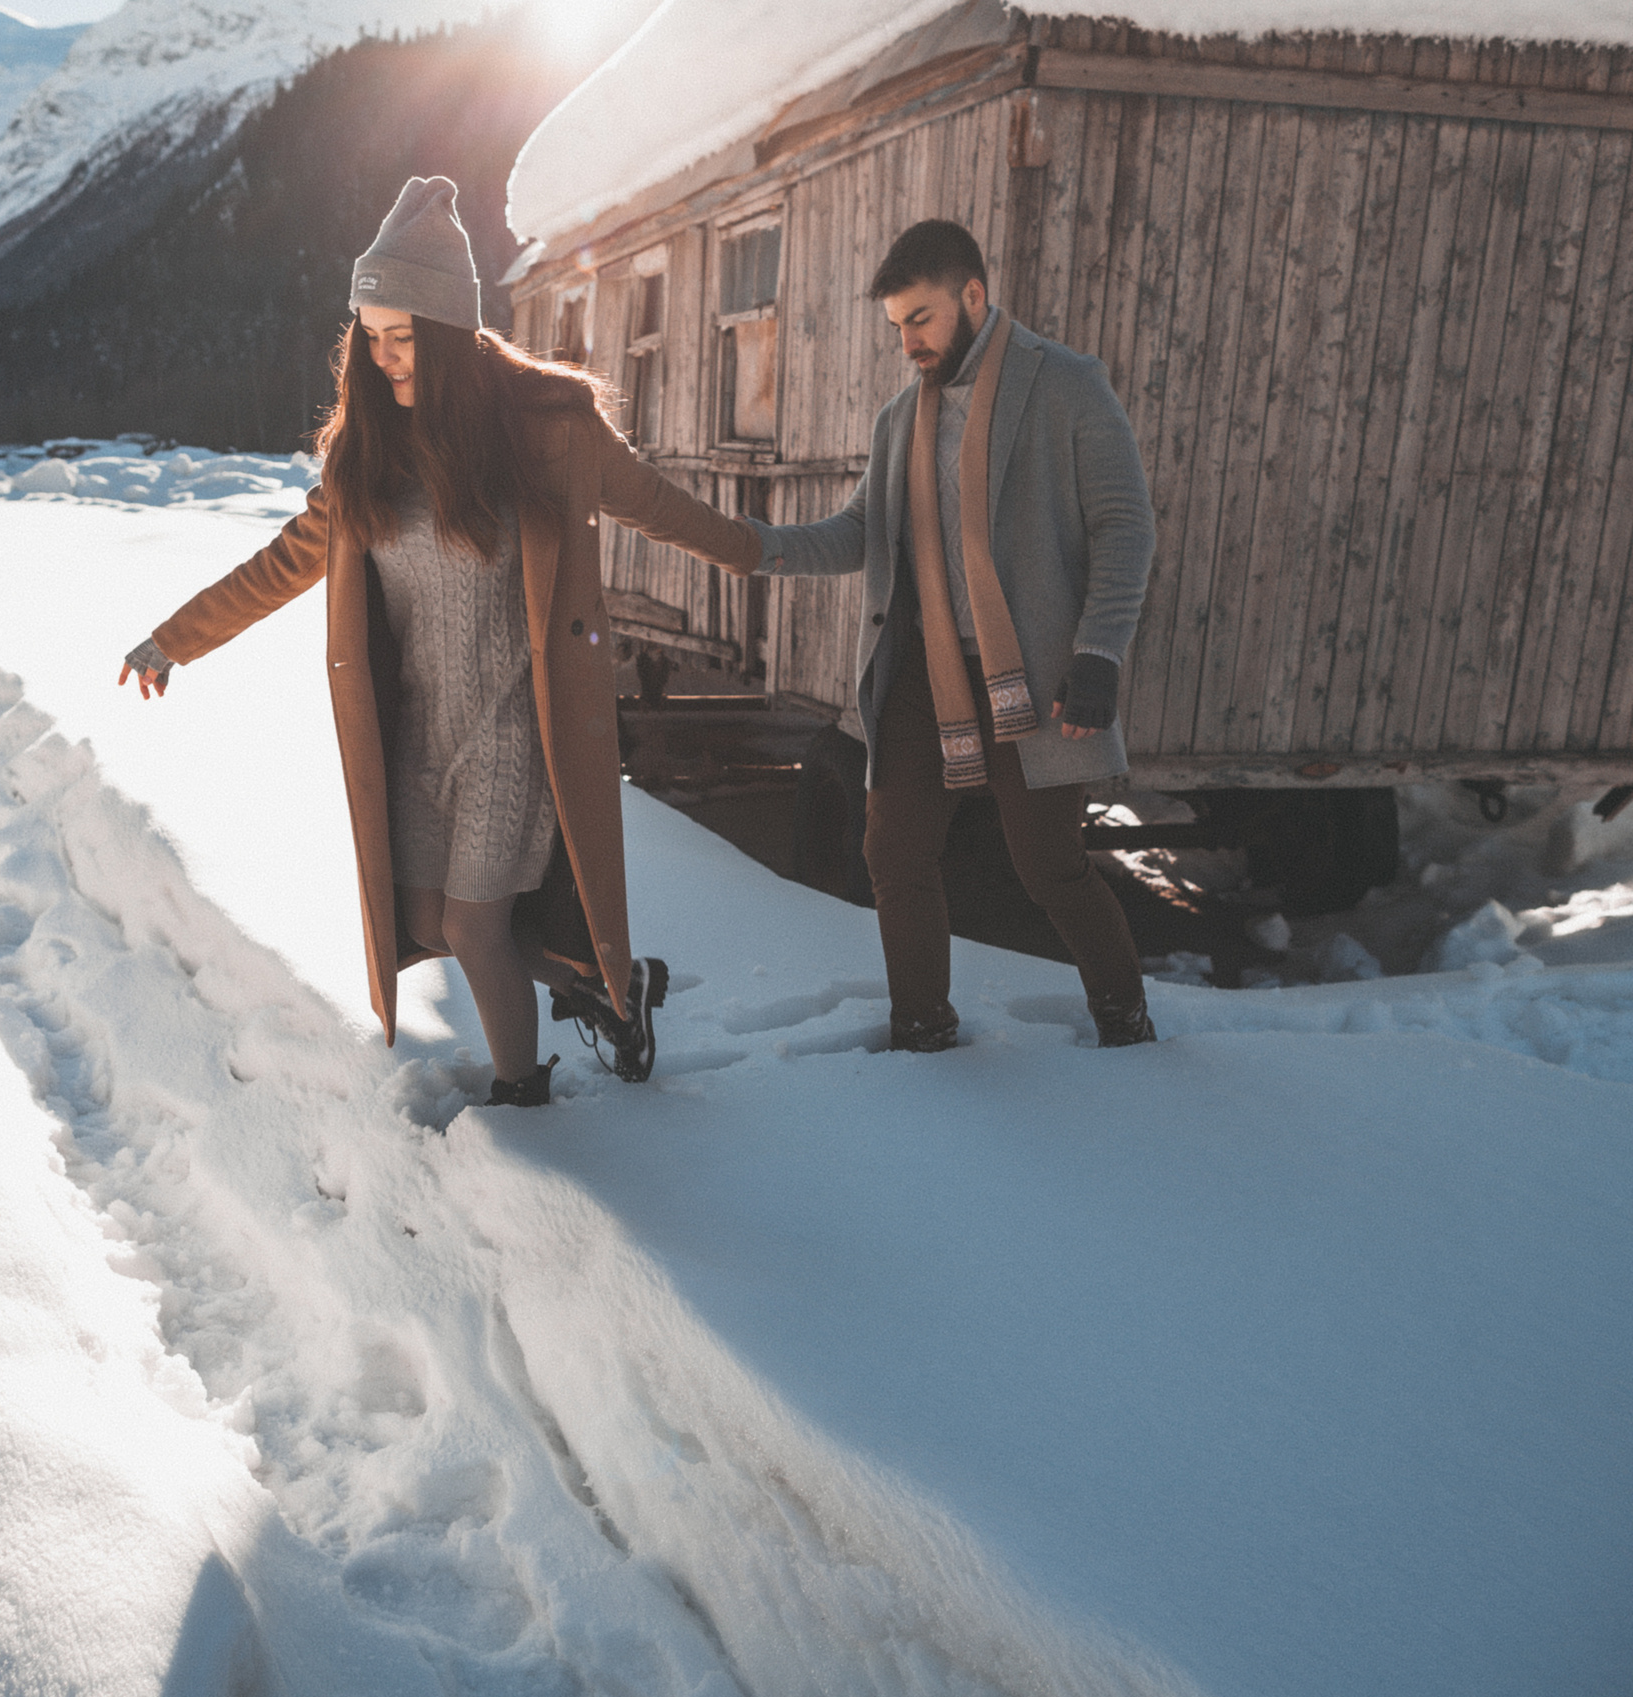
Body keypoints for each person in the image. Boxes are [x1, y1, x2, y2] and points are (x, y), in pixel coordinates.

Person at [118, 177, 761, 1106]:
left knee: (473, 927)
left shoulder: (546, 431)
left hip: (512, 732)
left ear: (451, 331)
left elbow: (665, 510)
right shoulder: (366, 457)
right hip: (421, 736)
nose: (382, 361)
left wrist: (765, 551)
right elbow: (280, 564)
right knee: (427, 919)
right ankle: (612, 989)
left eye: (402, 338)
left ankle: (522, 1097)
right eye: (368, 340)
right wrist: (173, 639)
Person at [739, 219, 1158, 1051]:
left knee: (1049, 867)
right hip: (922, 674)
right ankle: (921, 1029)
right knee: (893, 856)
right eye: (897, 325)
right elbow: (861, 531)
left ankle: (1124, 1015)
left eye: (921, 318)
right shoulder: (902, 419)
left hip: (1033, 678)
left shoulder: (1067, 385)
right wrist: (759, 546)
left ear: (973, 295)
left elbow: (1127, 526)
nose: (908, 342)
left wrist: (1099, 651)